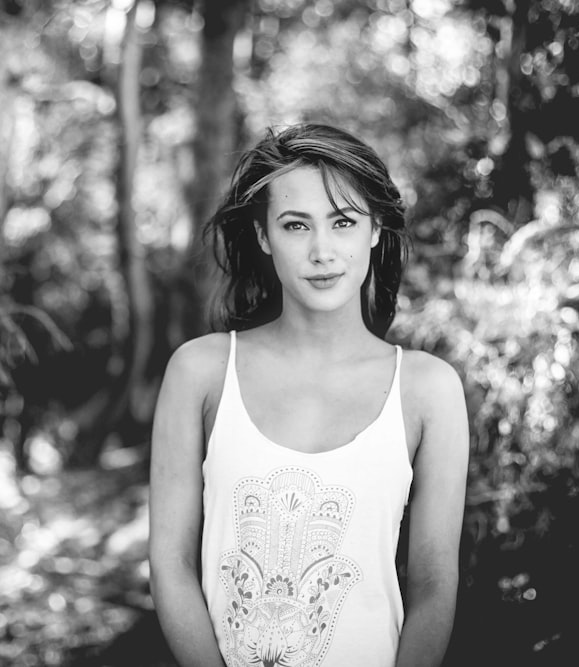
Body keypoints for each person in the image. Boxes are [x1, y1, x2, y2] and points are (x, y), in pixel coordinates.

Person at [149, 123, 469, 667]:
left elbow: (434, 583)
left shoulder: (428, 390)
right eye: (296, 225)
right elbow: (170, 562)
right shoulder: (200, 373)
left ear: (374, 230)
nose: (323, 250)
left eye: (343, 222)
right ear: (263, 235)